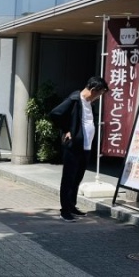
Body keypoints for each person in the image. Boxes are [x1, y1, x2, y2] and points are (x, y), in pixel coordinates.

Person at [49, 76, 109, 222]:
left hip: (85, 146)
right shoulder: (75, 99)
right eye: (100, 93)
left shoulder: (89, 103)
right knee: (68, 178)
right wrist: (66, 130)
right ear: (93, 90)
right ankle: (65, 210)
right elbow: (55, 114)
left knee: (77, 178)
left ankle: (72, 206)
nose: (99, 97)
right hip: (73, 147)